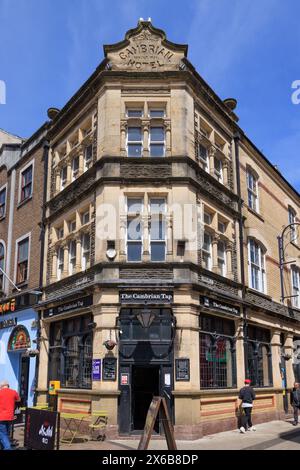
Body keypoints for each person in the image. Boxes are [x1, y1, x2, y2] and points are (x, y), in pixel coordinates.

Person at [0, 380, 20, 451]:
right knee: (5, 433)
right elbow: (18, 400)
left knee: (2, 434)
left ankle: (8, 448)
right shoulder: (13, 392)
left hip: (1, 417)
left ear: (1, 386)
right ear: (8, 385)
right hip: (10, 417)